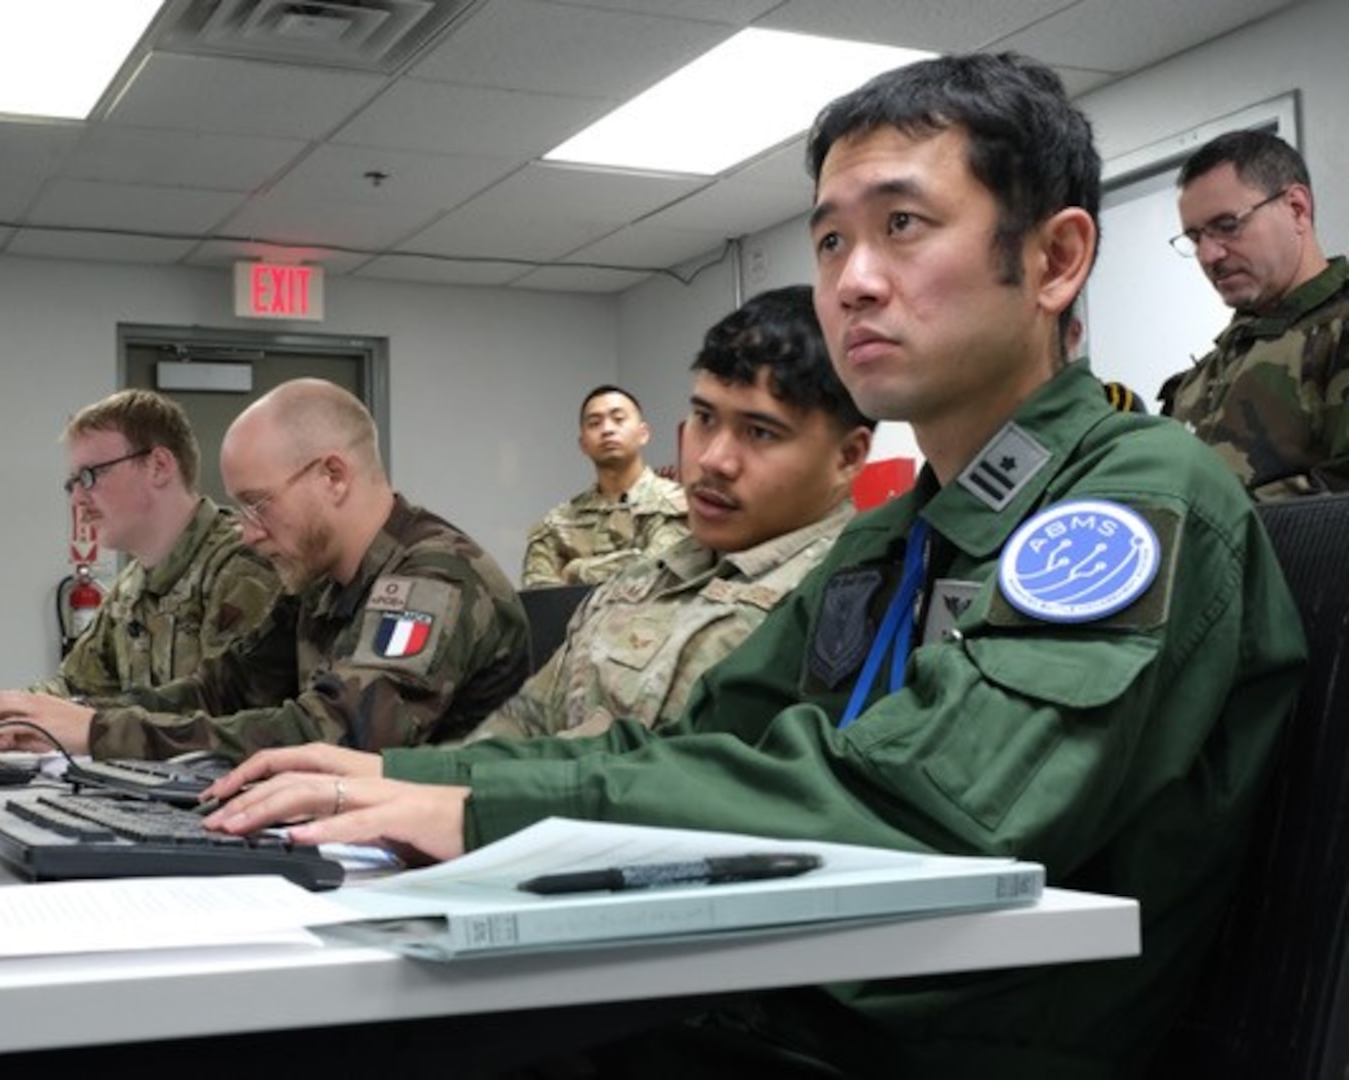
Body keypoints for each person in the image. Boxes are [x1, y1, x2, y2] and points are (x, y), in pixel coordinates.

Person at [198, 53, 1307, 1078]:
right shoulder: (895, 536)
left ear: (1055, 259)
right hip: (786, 1000)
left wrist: (479, 812)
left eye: (903, 226)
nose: (852, 282)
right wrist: (410, 781)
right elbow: (706, 747)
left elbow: (931, 810)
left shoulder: (1130, 500)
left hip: (932, 1043)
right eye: (828, 241)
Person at [0, 378, 530, 760]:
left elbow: (337, 736)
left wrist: (97, 732)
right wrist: (63, 717)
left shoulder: (433, 579)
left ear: (332, 476)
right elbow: (225, 690)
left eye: (258, 504)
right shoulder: (320, 579)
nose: (246, 529)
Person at [460, 285, 872, 743]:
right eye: (705, 418)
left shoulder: (855, 598)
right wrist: (417, 784)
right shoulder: (640, 581)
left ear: (848, 457)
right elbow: (521, 725)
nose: (714, 459)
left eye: (759, 432)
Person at [33, 388, 282, 697]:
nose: (78, 499)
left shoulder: (240, 568)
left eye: (89, 476)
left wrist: (88, 721)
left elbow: (224, 712)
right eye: (72, 484)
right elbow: (71, 688)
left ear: (159, 466)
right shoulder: (130, 589)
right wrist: (1, 715)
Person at [1160, 129, 1349, 498]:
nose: (1209, 255)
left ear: (1297, 208)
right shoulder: (1202, 377)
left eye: (1227, 226)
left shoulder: (1337, 334)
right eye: (1196, 238)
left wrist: (1211, 528)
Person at [520, 385, 689, 587]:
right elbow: (540, 595)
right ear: (583, 444)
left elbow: (662, 570)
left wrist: (575, 570)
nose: (607, 429)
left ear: (643, 433)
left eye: (618, 419)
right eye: (595, 423)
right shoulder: (558, 523)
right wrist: (632, 559)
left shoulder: (678, 505)